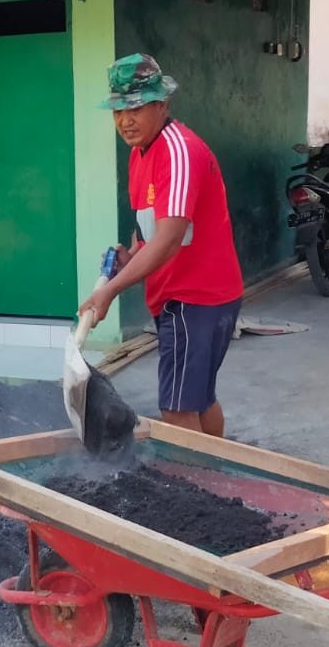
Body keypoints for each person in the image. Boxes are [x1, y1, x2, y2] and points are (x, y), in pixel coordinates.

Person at [78, 54, 244, 436]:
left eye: (136, 107)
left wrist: (110, 292)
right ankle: (215, 478)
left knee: (177, 412)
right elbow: (151, 232)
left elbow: (169, 241)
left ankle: (196, 490)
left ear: (162, 104)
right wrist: (131, 257)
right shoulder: (141, 154)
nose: (125, 120)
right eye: (118, 110)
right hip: (182, 299)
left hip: (196, 298)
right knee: (199, 400)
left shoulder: (178, 151)